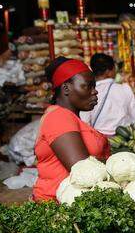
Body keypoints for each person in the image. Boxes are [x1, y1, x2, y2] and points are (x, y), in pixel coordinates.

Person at [33, 56, 109, 201]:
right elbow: (84, 172)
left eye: (95, 86)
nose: (95, 92)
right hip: (56, 207)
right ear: (66, 88)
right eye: (87, 86)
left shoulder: (71, 118)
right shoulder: (59, 117)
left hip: (76, 203)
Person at [80, 53, 135, 137]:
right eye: (114, 69)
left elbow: (85, 122)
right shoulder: (124, 89)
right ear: (108, 72)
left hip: (99, 140)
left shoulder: (87, 93)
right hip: (125, 139)